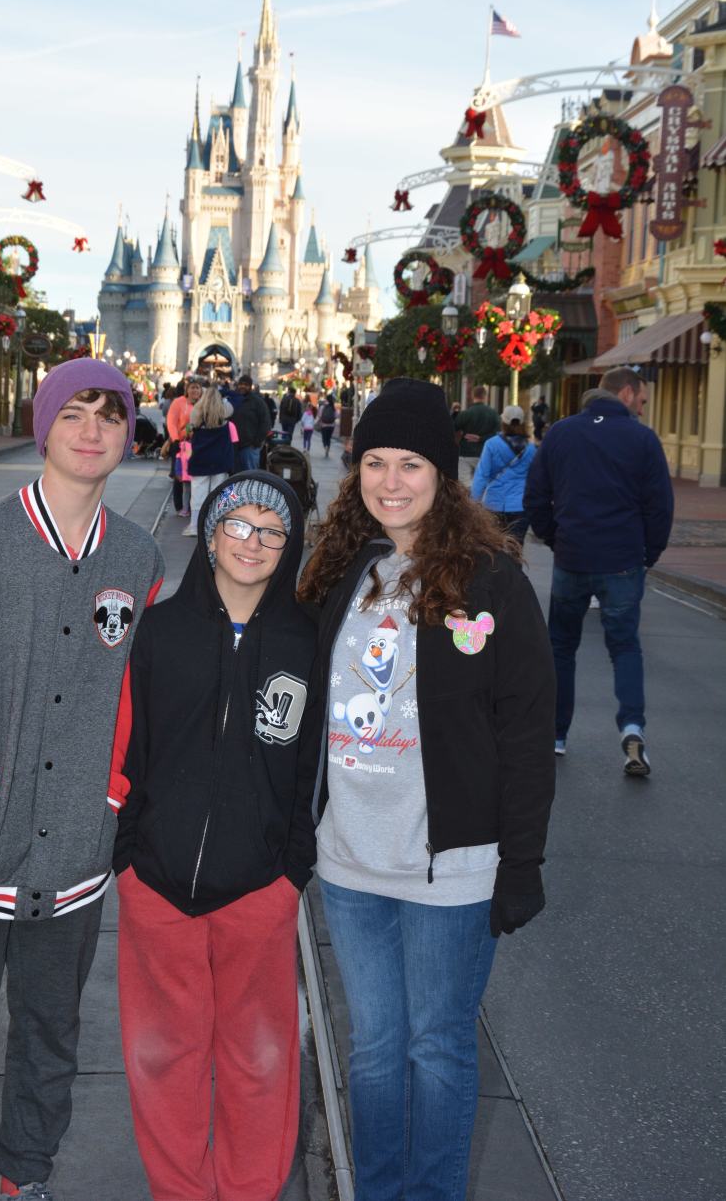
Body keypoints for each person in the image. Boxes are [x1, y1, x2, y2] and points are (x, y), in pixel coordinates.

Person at [0, 358, 164, 1201]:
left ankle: (25, 1174)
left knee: (51, 1030)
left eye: (110, 416)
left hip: (72, 846)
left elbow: (135, 699)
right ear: (45, 427)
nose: (92, 432)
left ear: (129, 435)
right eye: (74, 413)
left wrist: (111, 793)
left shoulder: (138, 555)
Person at [298, 378, 555, 1201]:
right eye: (375, 461)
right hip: (350, 864)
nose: (391, 480)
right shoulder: (342, 569)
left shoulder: (491, 581)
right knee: (376, 1049)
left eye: (410, 463)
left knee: (436, 1048)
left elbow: (526, 732)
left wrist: (522, 862)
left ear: (443, 475)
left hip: (454, 870)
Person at [113, 474, 320, 1201]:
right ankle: (180, 1191)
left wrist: (291, 873)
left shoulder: (306, 641)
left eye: (272, 531)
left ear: (290, 546)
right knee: (161, 1054)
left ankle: (249, 1189)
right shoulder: (159, 633)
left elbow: (312, 770)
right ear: (209, 534)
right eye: (237, 525)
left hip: (260, 890)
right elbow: (130, 750)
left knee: (259, 1058)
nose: (252, 543)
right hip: (156, 886)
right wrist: (127, 860)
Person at [524, 365, 674, 771]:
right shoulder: (643, 439)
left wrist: (554, 537)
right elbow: (659, 505)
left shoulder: (561, 433)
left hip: (572, 557)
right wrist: (648, 554)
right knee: (625, 647)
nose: (642, 408)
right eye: (641, 400)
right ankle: (632, 728)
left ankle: (556, 733)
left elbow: (535, 495)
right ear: (626, 393)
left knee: (561, 647)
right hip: (622, 559)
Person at [470, 404, 536, 545]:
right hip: (520, 505)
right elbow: (534, 478)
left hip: (494, 503)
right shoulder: (531, 449)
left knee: (495, 547)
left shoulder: (491, 444)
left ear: (503, 422)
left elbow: (482, 475)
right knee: (515, 548)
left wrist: (474, 502)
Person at [185, 384, 235, 536]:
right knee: (218, 493)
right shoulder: (224, 412)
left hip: (200, 459)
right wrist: (223, 397)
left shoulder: (197, 413)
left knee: (198, 493)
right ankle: (215, 526)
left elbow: (191, 426)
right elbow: (232, 405)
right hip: (220, 460)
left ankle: (194, 525)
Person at [166, 377, 203, 514]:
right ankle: (180, 506)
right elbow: (171, 422)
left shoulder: (203, 403)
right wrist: (175, 440)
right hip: (180, 444)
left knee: (196, 476)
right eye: (192, 387)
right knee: (179, 475)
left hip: (198, 444)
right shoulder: (178, 402)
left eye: (197, 388)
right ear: (187, 389)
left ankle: (194, 506)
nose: (195, 390)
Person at [453, 384, 499, 480]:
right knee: (483, 482)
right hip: (485, 453)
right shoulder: (493, 414)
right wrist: (481, 438)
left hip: (465, 453)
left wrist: (454, 413)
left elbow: (452, 428)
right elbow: (498, 434)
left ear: (472, 396)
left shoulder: (465, 414)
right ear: (485, 396)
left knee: (464, 483)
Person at [233, 372, 272, 470]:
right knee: (236, 475)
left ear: (250, 387)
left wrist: (256, 442)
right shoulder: (233, 399)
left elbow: (266, 423)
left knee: (250, 474)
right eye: (241, 384)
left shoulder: (258, 402)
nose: (242, 386)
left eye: (246, 385)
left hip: (250, 447)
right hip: (234, 447)